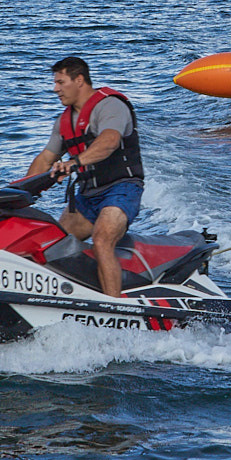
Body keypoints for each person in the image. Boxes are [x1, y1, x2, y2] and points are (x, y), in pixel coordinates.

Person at [27, 56, 143, 299]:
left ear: (79, 80)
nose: (55, 89)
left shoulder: (110, 106)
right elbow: (46, 158)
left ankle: (115, 308)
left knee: (102, 239)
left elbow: (109, 141)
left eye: (60, 82)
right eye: (55, 83)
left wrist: (74, 162)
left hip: (122, 189)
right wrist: (20, 192)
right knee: (49, 244)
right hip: (88, 196)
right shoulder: (64, 121)